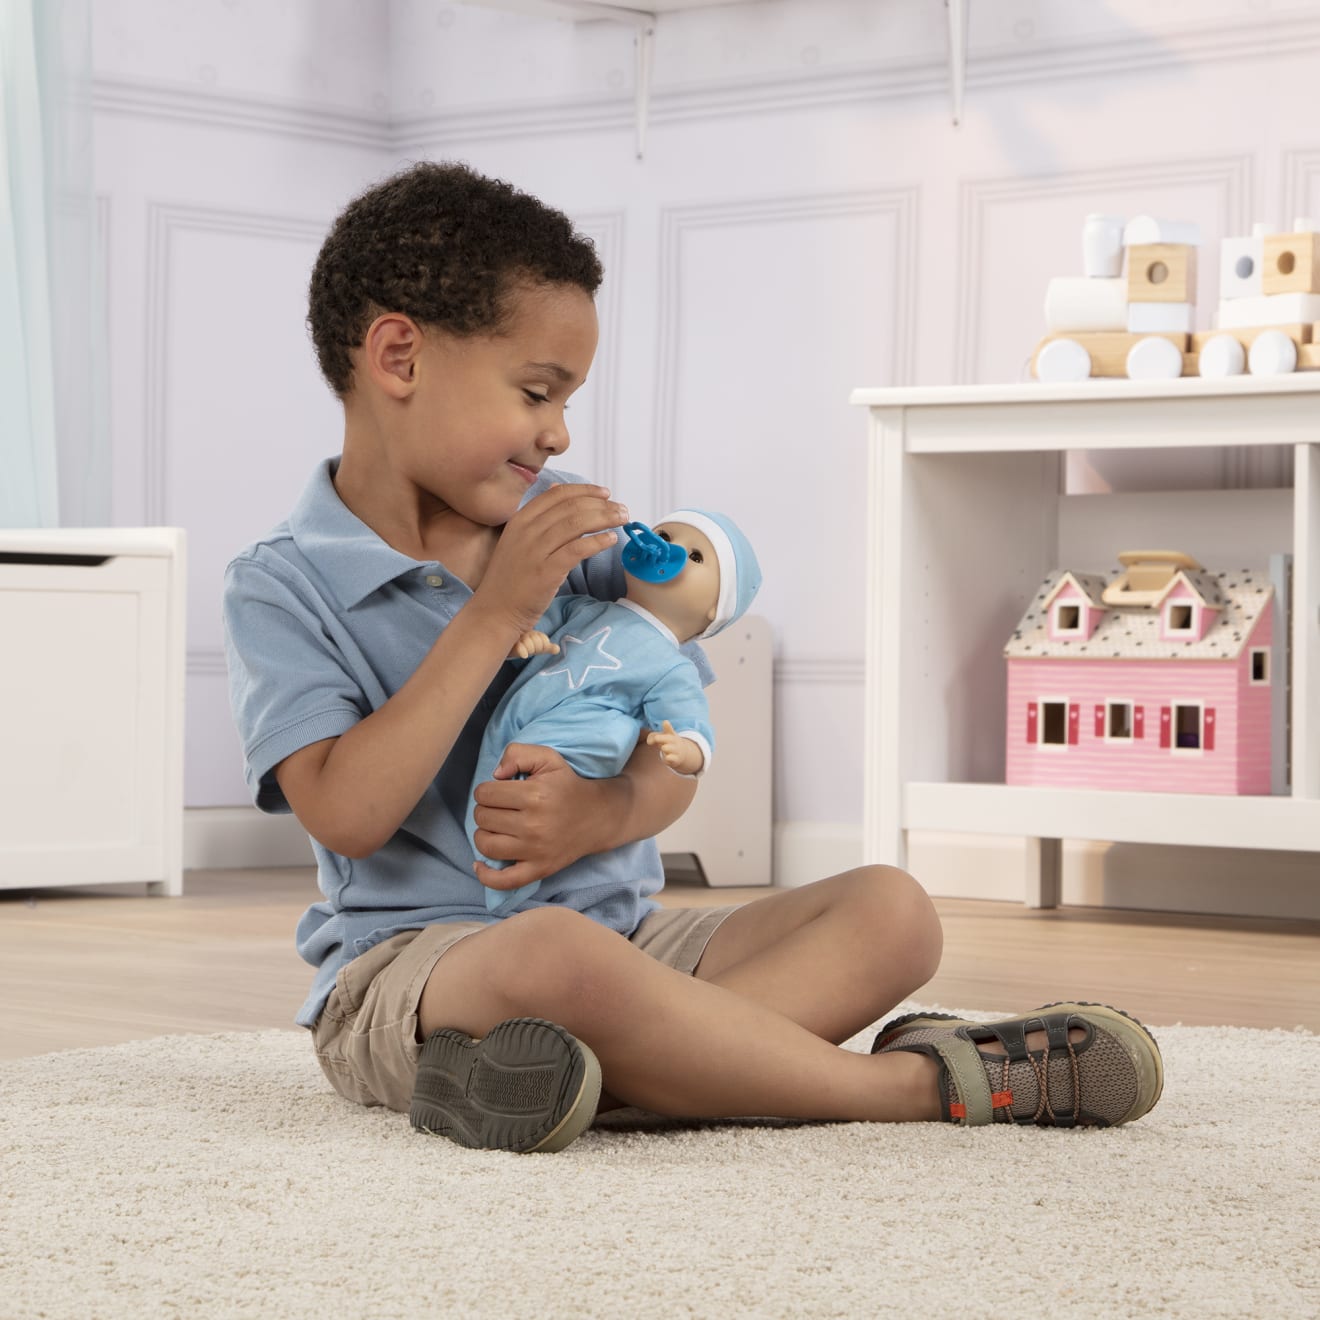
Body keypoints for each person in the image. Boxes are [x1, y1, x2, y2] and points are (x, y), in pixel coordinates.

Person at [223, 160, 1164, 1155]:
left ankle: (573, 1081)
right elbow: (349, 815)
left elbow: (673, 740)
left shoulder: (566, 529)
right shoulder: (282, 583)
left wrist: (609, 810)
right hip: (420, 973)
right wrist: (495, 614)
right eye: (537, 391)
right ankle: (913, 1087)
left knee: (895, 912)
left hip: (630, 943)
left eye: (568, 398)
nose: (559, 430)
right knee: (551, 959)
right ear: (399, 357)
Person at [468, 509, 761, 914]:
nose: (668, 547)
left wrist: (687, 749)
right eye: (664, 533)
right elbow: (531, 626)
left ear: (715, 610)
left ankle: (512, 887)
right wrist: (526, 639)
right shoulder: (581, 608)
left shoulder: (673, 666)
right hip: (517, 721)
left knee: (612, 733)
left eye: (695, 556)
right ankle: (498, 885)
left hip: (577, 742)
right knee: (494, 799)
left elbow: (690, 722)